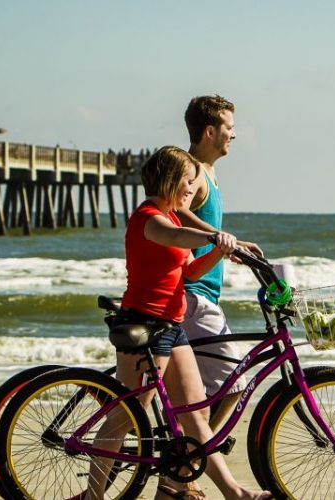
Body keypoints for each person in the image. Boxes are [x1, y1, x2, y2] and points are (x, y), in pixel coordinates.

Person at [85, 146, 270, 500]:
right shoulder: (149, 218)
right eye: (187, 182)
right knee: (126, 416)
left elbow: (189, 270)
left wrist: (219, 251)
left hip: (172, 326)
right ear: (170, 180)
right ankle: (94, 497)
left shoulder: (171, 218)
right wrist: (213, 237)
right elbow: (172, 239)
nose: (190, 190)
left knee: (195, 418)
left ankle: (235, 493)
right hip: (143, 326)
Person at [176, 95, 263, 430]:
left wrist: (232, 244)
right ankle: (198, 457)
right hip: (193, 296)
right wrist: (221, 238)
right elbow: (176, 210)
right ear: (210, 131)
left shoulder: (207, 171)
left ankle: (182, 469)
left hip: (200, 295)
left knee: (194, 392)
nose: (235, 135)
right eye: (230, 127)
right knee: (234, 384)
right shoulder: (193, 170)